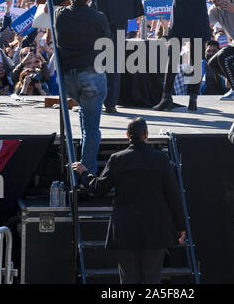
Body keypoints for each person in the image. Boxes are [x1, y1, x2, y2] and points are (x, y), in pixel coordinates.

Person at [72, 117, 186, 285]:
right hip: (155, 230)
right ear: (146, 134)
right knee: (152, 279)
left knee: (128, 280)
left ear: (127, 135)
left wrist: (84, 172)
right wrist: (181, 226)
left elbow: (98, 188)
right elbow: (174, 196)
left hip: (125, 230)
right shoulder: (160, 159)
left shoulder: (117, 159)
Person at [55, 0, 111, 175]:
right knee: (92, 128)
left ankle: (81, 166)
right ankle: (87, 174)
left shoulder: (59, 15)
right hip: (91, 77)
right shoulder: (98, 17)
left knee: (85, 114)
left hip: (67, 79)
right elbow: (107, 43)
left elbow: (53, 1)